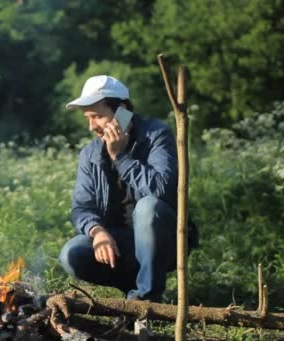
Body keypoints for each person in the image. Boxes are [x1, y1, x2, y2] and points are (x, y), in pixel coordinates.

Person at [58, 75, 198, 302]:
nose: (92, 126)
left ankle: (145, 300)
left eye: (97, 116)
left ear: (122, 111)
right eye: (88, 118)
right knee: (71, 254)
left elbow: (160, 189)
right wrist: (97, 231)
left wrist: (120, 157)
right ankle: (132, 288)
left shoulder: (156, 136)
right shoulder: (89, 154)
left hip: (165, 241)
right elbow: (81, 207)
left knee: (148, 207)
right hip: (121, 244)